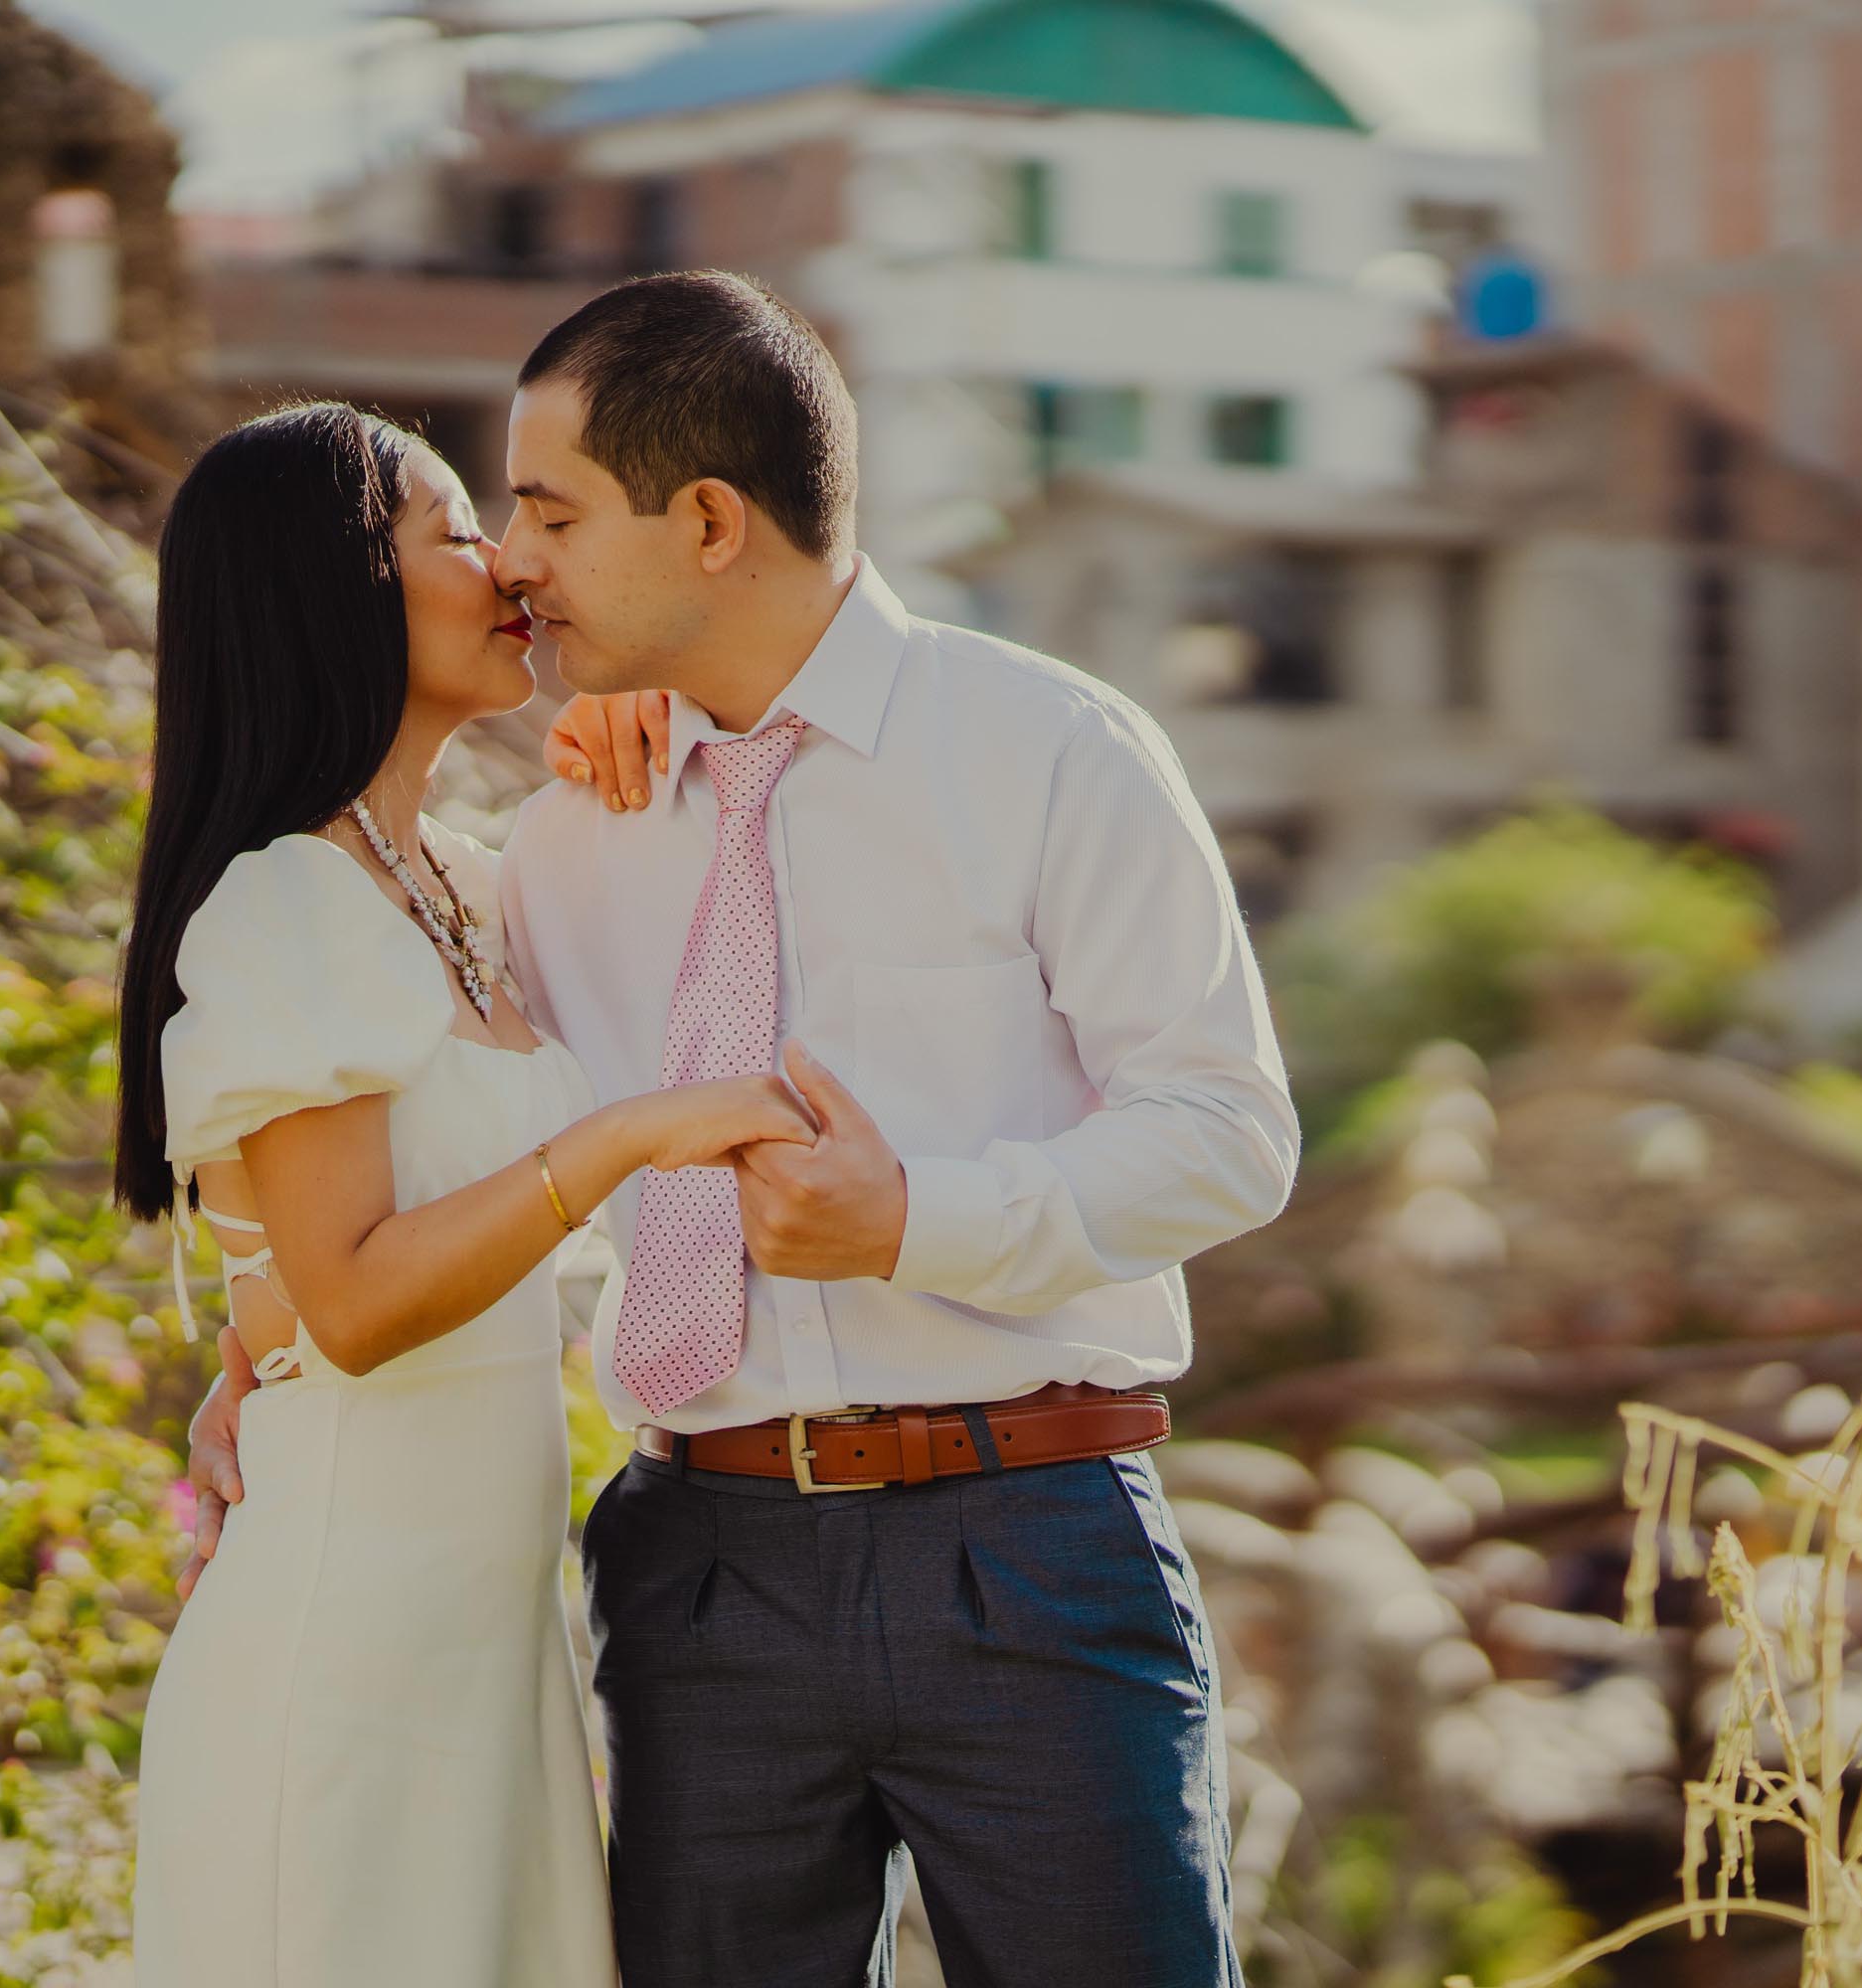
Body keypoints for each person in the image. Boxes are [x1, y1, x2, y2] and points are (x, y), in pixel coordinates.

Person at [185, 270, 1300, 1986]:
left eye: (546, 510)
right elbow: (430, 1156)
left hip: (1032, 1537)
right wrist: (266, 1342)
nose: (513, 560)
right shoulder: (561, 846)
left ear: (708, 519)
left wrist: (915, 1219)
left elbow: (1227, 1133)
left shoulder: (1051, 749)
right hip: (695, 1566)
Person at [111, 402, 816, 1988]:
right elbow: (354, 1304)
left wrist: (626, 709)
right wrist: (627, 1138)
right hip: (349, 1654)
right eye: (451, 530)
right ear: (337, 589)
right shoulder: (288, 896)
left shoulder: (474, 886)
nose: (505, 565)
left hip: (486, 1646)